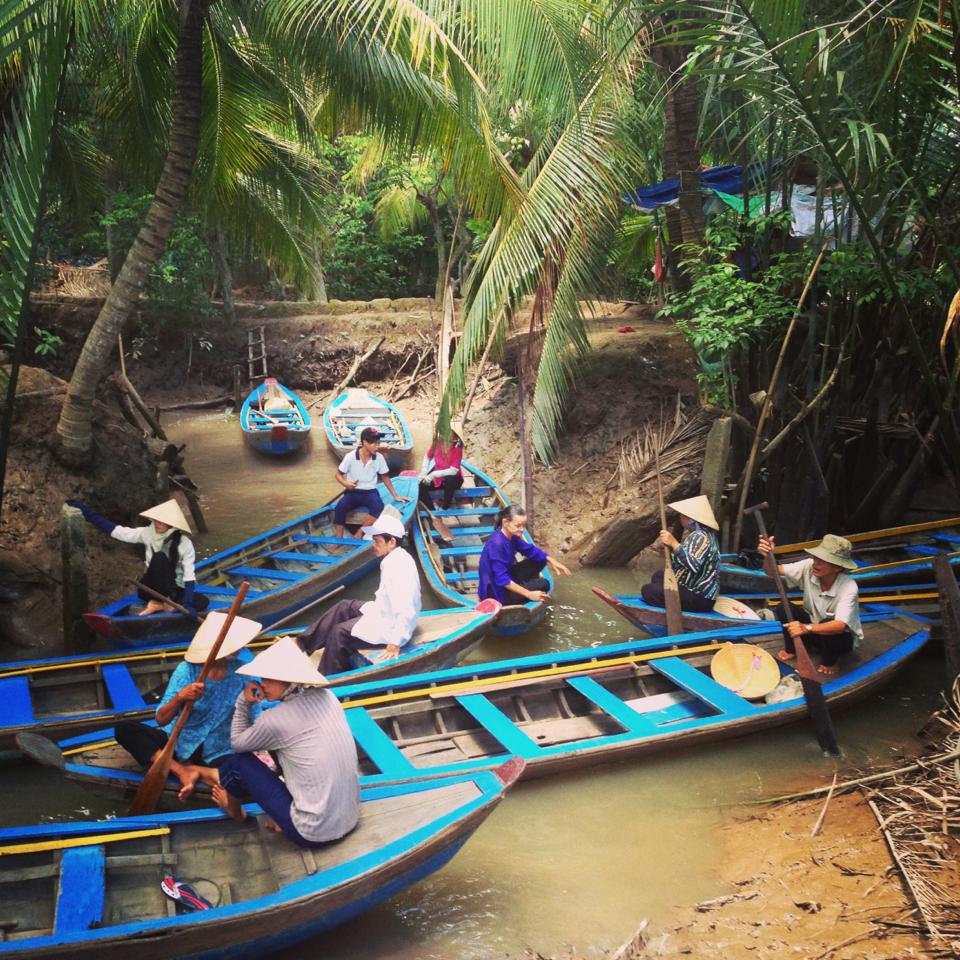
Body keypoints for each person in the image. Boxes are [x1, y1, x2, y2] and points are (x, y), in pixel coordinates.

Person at [211, 636, 360, 848]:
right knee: (277, 752)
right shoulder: (328, 696)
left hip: (312, 832)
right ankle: (284, 816)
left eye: (271, 679)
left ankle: (234, 810)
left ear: (290, 682)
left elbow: (236, 743)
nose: (264, 684)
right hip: (350, 816)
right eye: (264, 679)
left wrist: (243, 701)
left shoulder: (275, 720)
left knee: (237, 764)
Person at [113, 612, 262, 801]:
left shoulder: (241, 672)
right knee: (124, 729)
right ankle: (181, 771)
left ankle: (198, 771)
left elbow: (255, 714)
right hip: (179, 742)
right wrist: (180, 697)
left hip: (218, 749)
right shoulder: (187, 670)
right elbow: (161, 719)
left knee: (242, 778)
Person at [299, 511, 421, 675]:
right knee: (344, 606)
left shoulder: (398, 567)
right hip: (384, 611)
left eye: (377, 541)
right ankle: (302, 645)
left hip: (392, 627)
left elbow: (406, 609)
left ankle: (326, 678)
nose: (373, 545)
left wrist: (394, 642)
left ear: (391, 542)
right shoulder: (394, 558)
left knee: (339, 632)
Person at [67, 497, 208, 616]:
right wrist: (86, 512)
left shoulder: (184, 543)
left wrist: (188, 604)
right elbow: (117, 531)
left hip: (174, 590)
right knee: (159, 557)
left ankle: (160, 605)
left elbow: (189, 576)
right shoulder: (146, 533)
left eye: (163, 521)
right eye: (156, 520)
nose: (158, 523)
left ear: (171, 524)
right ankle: (164, 603)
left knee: (202, 602)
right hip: (151, 589)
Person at [758, 532, 862, 676]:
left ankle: (830, 662)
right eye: (816, 558)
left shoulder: (848, 586)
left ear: (837, 567)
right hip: (813, 631)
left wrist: (805, 628)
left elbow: (840, 626)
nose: (816, 563)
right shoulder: (809, 566)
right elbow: (773, 571)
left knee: (829, 624)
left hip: (839, 640)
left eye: (823, 561)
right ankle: (793, 649)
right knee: (784, 607)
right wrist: (768, 556)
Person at [640, 495, 721, 613]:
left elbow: (693, 566)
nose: (680, 518)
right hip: (694, 590)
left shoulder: (701, 537)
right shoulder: (703, 534)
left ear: (692, 519)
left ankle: (671, 613)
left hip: (699, 597)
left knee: (647, 590)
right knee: (658, 576)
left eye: (683, 516)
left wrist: (674, 543)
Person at [477, 505, 571, 605]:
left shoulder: (512, 536)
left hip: (507, 577)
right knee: (544, 584)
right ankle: (523, 591)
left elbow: (530, 550)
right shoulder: (497, 544)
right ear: (505, 522)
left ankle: (524, 588)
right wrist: (528, 594)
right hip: (495, 592)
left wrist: (551, 560)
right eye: (518, 525)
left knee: (541, 559)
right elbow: (502, 579)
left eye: (523, 525)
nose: (521, 529)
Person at [334, 426, 411, 539]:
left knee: (378, 507)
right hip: (353, 491)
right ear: (364, 442)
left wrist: (395, 496)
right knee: (339, 508)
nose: (377, 446)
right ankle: (338, 538)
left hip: (370, 492)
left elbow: (385, 477)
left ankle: (360, 532)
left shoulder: (379, 458)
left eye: (378, 443)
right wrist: (346, 484)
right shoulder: (350, 457)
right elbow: (338, 475)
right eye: (374, 443)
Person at [418, 419, 465, 511]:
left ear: (455, 436)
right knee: (420, 486)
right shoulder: (437, 443)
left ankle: (446, 506)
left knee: (449, 479)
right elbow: (428, 456)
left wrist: (433, 475)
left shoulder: (457, 448)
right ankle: (432, 511)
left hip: (453, 480)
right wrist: (424, 471)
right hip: (438, 478)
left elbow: (453, 470)